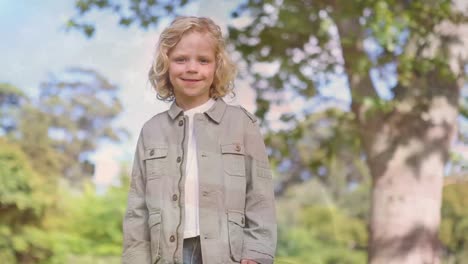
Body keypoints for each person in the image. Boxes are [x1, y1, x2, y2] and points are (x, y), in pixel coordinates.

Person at [122, 16, 277, 264]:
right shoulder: (151, 130)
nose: (191, 68)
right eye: (180, 59)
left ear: (217, 67)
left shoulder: (242, 124)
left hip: (227, 255)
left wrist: (257, 253)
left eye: (203, 60)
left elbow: (260, 196)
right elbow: (137, 208)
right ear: (166, 65)